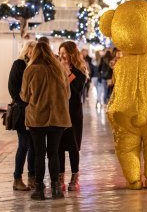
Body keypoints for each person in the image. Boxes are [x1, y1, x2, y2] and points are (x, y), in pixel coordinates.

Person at [20, 42, 71, 200]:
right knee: (54, 153)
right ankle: (56, 189)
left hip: (37, 118)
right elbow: (67, 94)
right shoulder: (60, 69)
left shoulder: (30, 70)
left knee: (39, 154)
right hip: (58, 117)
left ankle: (39, 190)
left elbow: (24, 96)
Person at [58, 41, 88, 192]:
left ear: (71, 54)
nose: (62, 56)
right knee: (59, 146)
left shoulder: (79, 70)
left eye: (64, 53)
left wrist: (67, 72)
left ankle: (75, 177)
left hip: (74, 113)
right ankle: (60, 177)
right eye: (60, 52)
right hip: (59, 112)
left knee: (73, 146)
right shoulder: (56, 69)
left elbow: (77, 91)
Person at [8, 41, 36, 191]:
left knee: (33, 146)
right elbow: (12, 87)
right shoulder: (19, 64)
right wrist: (23, 104)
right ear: (27, 50)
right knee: (24, 144)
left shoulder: (36, 65)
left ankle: (32, 178)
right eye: (31, 49)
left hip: (35, 112)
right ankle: (17, 179)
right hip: (21, 112)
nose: (33, 52)